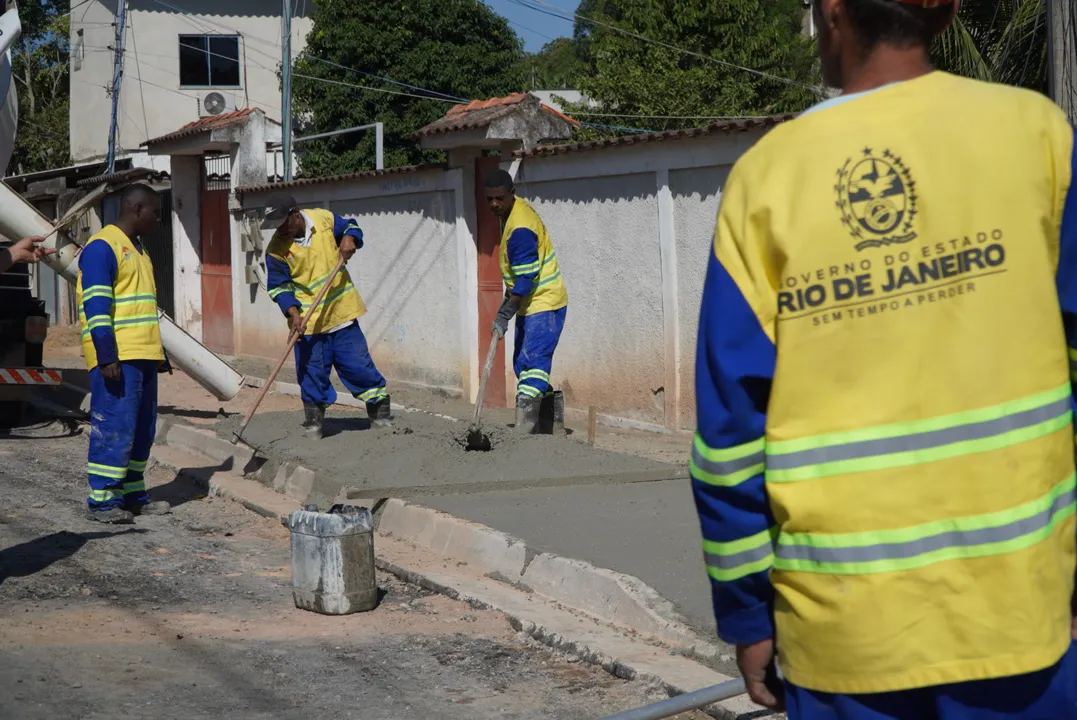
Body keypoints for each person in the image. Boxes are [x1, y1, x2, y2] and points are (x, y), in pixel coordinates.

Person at [691, 0, 1077, 718]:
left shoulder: (768, 177)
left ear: (833, 12)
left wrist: (747, 616)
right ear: (947, 11)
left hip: (843, 633)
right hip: (1020, 614)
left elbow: (729, 433)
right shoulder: (1036, 136)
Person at [77, 183, 171, 524]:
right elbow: (97, 307)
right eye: (155, 212)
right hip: (118, 356)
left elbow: (143, 308)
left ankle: (133, 493)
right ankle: (102, 500)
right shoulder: (103, 247)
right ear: (135, 209)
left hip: (142, 354)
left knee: (141, 429)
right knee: (114, 425)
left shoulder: (139, 250)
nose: (159, 219)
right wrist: (106, 355)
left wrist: (159, 354)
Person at [262, 193, 389, 439]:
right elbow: (279, 287)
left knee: (359, 368)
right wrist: (293, 312)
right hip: (308, 324)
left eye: (282, 223)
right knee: (312, 375)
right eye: (275, 225)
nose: (279, 230)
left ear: (295, 214)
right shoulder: (276, 250)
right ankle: (314, 424)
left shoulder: (324, 219)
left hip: (341, 314)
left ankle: (381, 417)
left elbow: (351, 226)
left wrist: (350, 239)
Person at [484, 169, 568, 433]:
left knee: (532, 363)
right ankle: (550, 428)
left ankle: (523, 431)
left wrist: (505, 312)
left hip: (545, 302)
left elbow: (527, 277)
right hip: (531, 303)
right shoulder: (510, 213)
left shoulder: (519, 227)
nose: (494, 204)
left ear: (512, 193)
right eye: (489, 199)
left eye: (499, 198)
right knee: (523, 365)